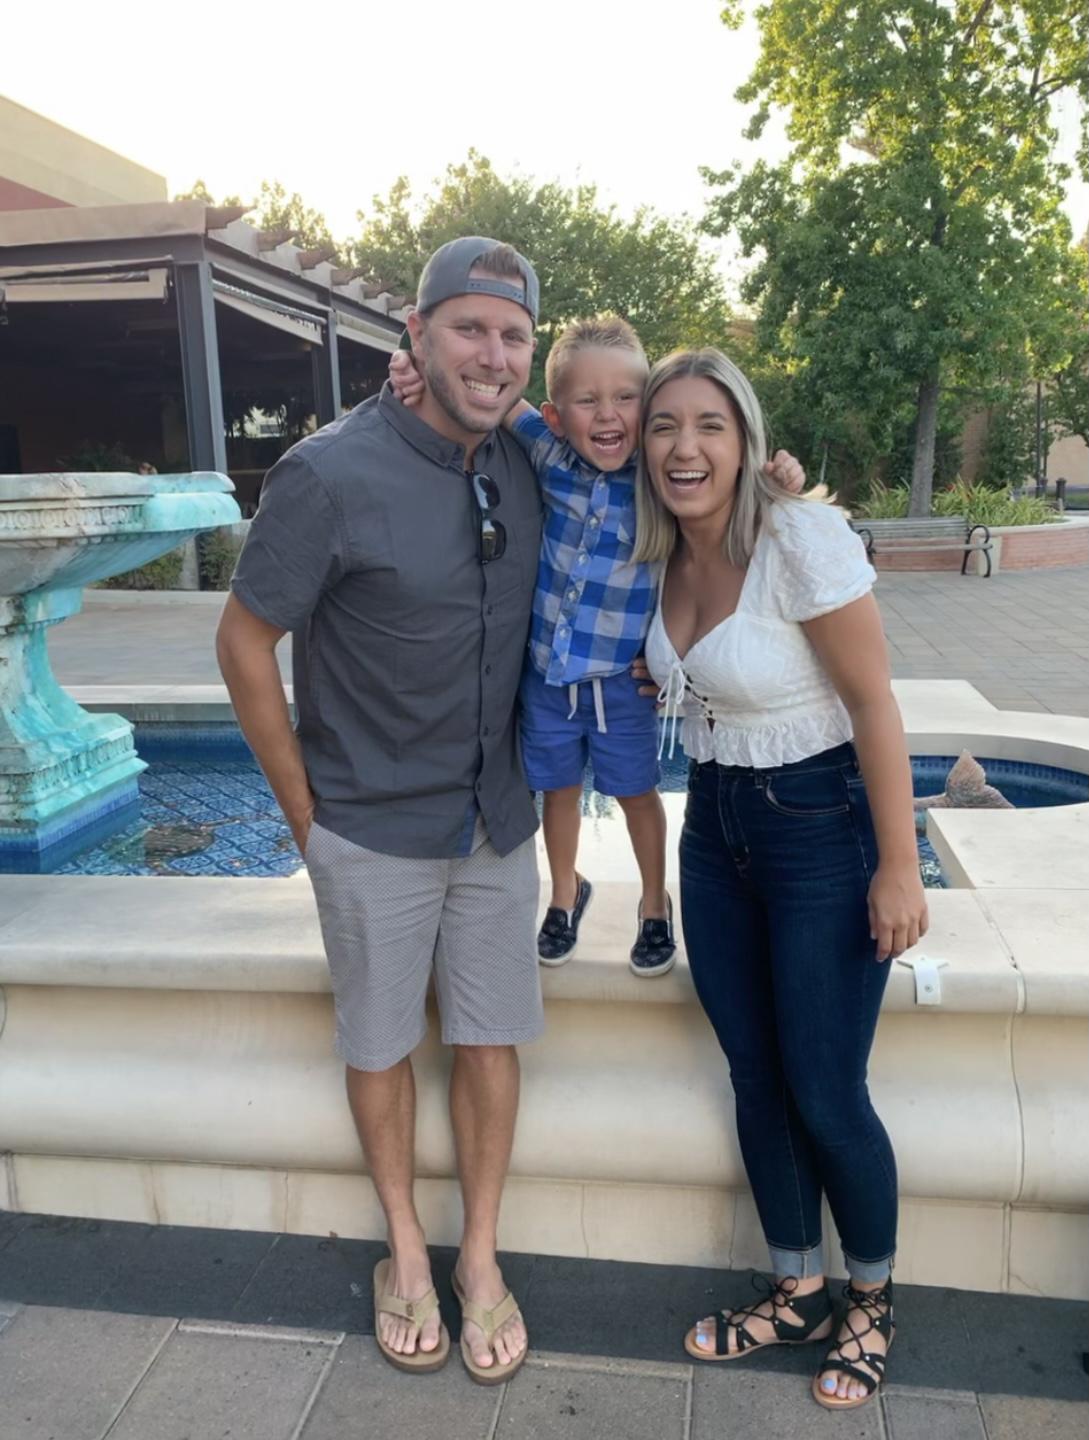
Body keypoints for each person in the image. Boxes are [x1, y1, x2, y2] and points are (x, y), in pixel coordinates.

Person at [216, 237, 546, 1384]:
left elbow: (652, 446)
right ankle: (405, 1248)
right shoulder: (326, 475)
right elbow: (243, 643)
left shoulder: (531, 463)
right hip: (366, 825)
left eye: (513, 336)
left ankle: (480, 1256)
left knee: (492, 1041)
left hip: (495, 819)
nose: (491, 355)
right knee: (380, 1040)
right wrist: (304, 816)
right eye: (468, 328)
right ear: (415, 332)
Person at [636, 348, 928, 1412]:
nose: (684, 447)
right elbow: (566, 422)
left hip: (817, 831)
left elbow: (874, 704)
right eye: (664, 425)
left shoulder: (798, 536)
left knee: (825, 1089)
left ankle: (872, 1299)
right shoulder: (661, 549)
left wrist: (899, 865)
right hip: (713, 827)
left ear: (747, 439)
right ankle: (796, 1290)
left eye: (709, 424)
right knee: (755, 1077)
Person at [390, 319, 806, 975]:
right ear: (557, 416)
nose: (607, 413)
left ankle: (653, 903)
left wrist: (776, 471)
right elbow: (491, 395)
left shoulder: (661, 480)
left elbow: (725, 471)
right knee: (556, 791)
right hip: (547, 677)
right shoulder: (546, 453)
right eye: (587, 400)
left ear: (648, 408)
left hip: (621, 680)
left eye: (625, 398)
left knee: (635, 793)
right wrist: (415, 367)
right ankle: (565, 893)